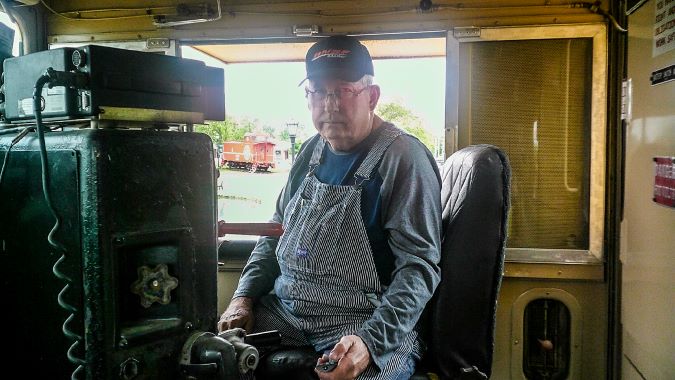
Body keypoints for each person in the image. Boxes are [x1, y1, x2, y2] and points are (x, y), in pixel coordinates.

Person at [218, 35, 441, 380]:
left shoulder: (402, 158)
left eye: (344, 90)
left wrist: (370, 342)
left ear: (373, 96)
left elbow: (419, 268)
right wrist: (243, 297)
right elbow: (274, 233)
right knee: (213, 357)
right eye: (318, 91)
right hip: (287, 313)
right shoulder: (310, 151)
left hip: (362, 320)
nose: (330, 104)